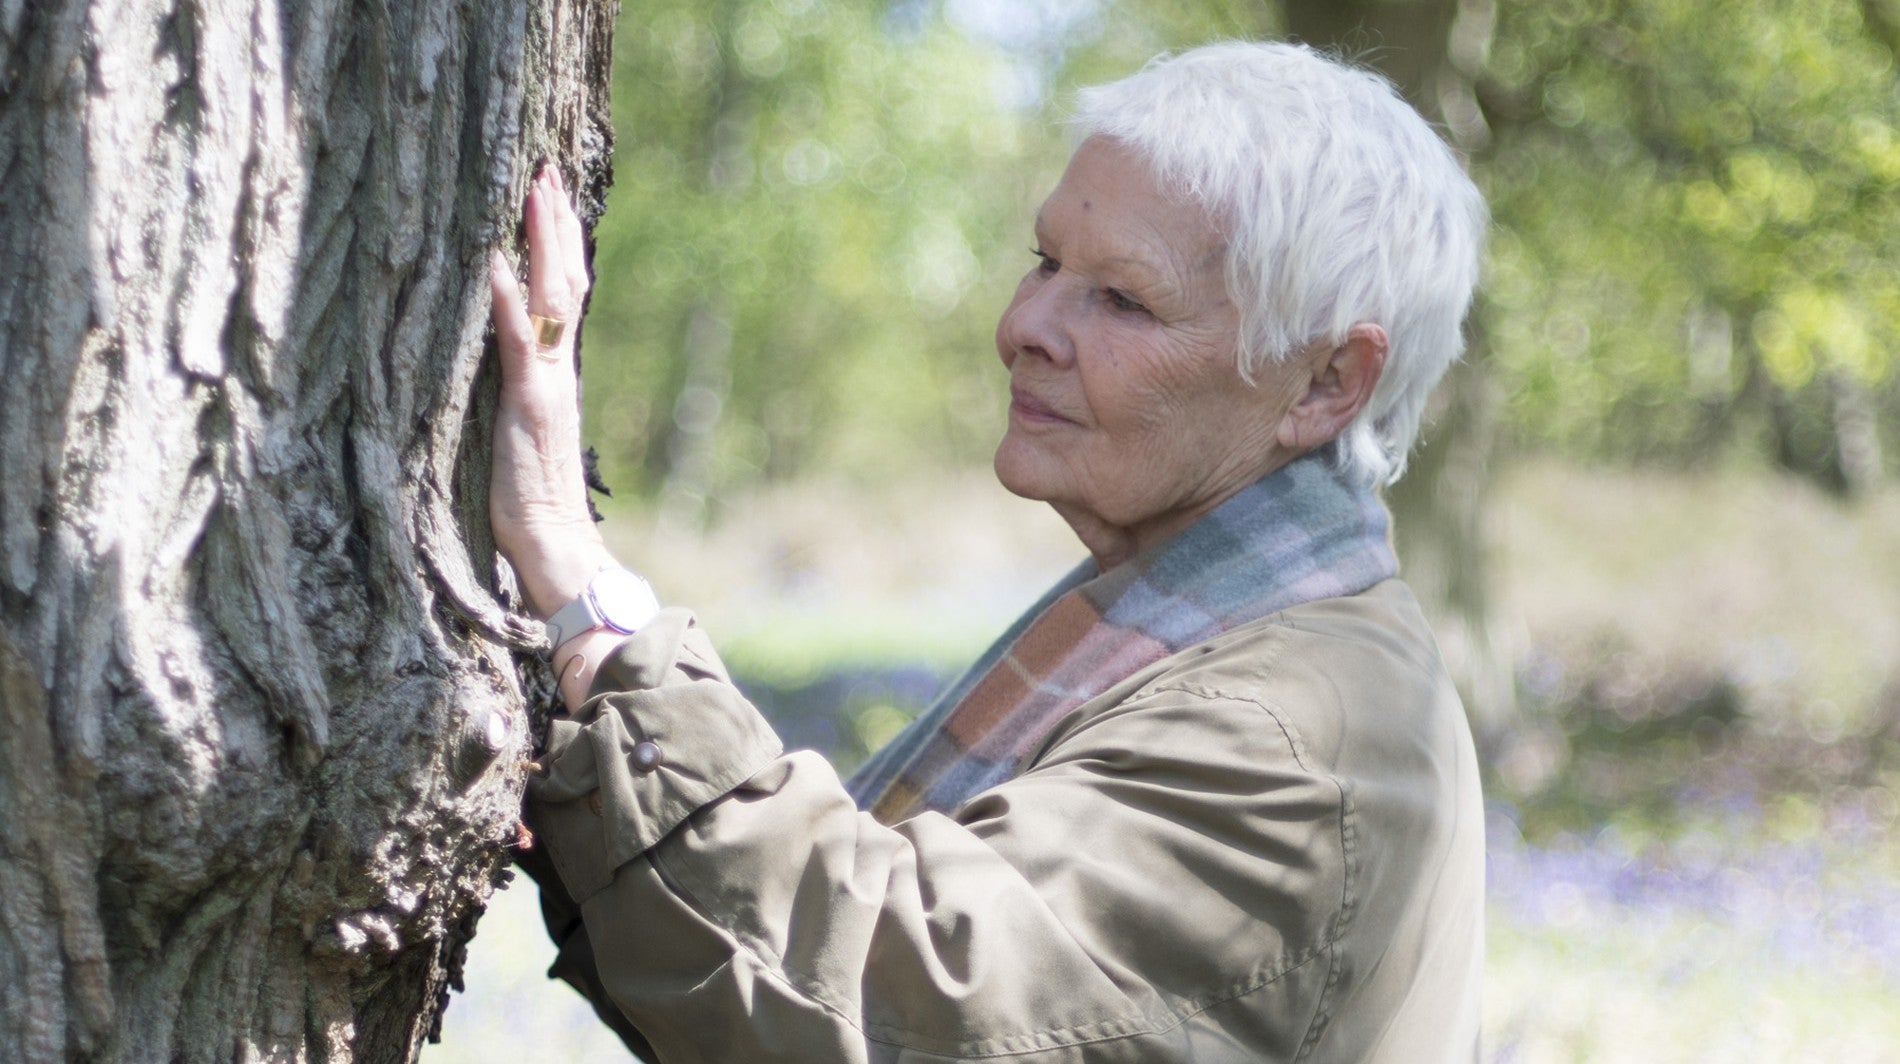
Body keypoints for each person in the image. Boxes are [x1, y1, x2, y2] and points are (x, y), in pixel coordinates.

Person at [488, 40, 1487, 1063]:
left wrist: (587, 610)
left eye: (1123, 299)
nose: (1024, 325)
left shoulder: (1289, 736)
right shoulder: (1225, 622)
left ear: (1325, 380)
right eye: (1046, 262)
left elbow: (892, 998)